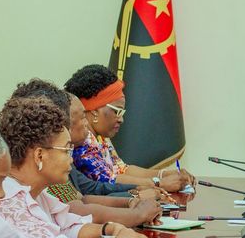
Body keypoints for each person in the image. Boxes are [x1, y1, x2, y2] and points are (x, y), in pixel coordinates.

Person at [0, 97, 150, 238]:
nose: (71, 159)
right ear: (39, 155)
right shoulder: (5, 199)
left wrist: (110, 230)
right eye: (66, 150)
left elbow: (67, 228)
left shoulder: (36, 193)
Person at [9, 79, 167, 225]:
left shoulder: (59, 158)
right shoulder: (42, 170)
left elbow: (84, 196)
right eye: (82, 117)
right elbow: (75, 208)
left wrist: (132, 198)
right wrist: (136, 212)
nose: (87, 124)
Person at [64, 64, 195, 190]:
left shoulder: (99, 138)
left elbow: (122, 169)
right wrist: (159, 183)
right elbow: (109, 180)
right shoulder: (80, 142)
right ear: (94, 111)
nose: (121, 119)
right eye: (117, 111)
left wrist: (165, 174)